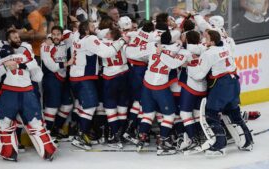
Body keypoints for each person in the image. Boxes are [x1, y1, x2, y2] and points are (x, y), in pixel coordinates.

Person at [186, 30, 254, 156]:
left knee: (211, 113)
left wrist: (189, 66)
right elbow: (228, 44)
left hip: (221, 86)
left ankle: (219, 145)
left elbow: (199, 75)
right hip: (234, 83)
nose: (203, 39)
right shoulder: (226, 46)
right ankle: (247, 142)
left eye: (206, 37)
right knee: (234, 113)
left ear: (212, 41)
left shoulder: (209, 53)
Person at [0, 30, 56, 161]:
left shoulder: (2, 58)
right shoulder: (27, 57)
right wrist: (23, 65)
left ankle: (9, 153)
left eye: (18, 36)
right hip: (28, 92)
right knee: (36, 123)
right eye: (14, 37)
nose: (17, 38)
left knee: (4, 123)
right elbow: (38, 76)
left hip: (10, 93)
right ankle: (48, 151)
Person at [124, 31, 187, 155]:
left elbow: (132, 53)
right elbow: (174, 61)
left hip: (147, 84)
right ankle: (163, 142)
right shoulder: (176, 49)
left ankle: (142, 138)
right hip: (160, 86)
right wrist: (180, 43)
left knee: (148, 113)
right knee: (169, 115)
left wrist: (125, 45)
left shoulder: (152, 46)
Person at [69, 21, 130, 150]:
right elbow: (106, 53)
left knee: (83, 106)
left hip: (75, 76)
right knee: (91, 106)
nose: (95, 29)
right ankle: (80, 135)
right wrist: (121, 41)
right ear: (86, 31)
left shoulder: (75, 36)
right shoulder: (91, 39)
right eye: (92, 27)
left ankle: (80, 132)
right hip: (84, 77)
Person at [41, 26, 74, 141]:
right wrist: (67, 63)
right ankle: (47, 134)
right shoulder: (45, 46)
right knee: (51, 108)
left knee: (68, 105)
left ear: (61, 35)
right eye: (53, 34)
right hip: (51, 78)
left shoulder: (65, 42)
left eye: (58, 34)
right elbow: (52, 67)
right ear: (50, 34)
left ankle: (56, 128)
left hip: (63, 78)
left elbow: (71, 33)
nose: (55, 36)